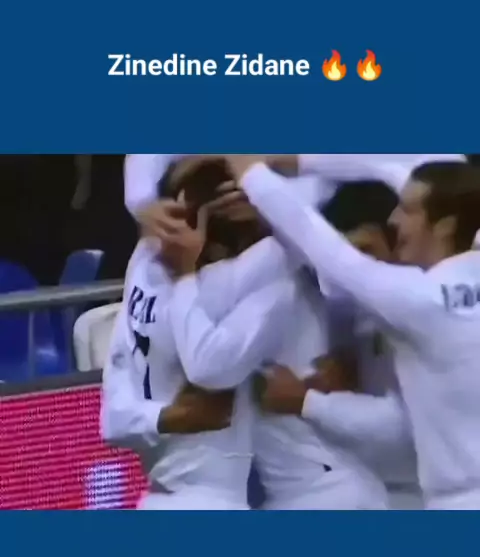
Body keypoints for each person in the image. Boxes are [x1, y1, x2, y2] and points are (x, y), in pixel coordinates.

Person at [126, 156, 390, 510]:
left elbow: (207, 367)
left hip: (326, 495)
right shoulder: (221, 283)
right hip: (306, 493)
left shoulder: (275, 282)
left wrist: (185, 271)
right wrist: (143, 204)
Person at [224, 154, 480, 510]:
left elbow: (320, 244)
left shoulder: (419, 300)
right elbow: (389, 168)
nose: (394, 219)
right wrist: (292, 161)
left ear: (446, 226)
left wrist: (249, 170)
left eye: (408, 210)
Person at [102, 157, 296, 510]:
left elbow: (111, 422)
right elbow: (304, 238)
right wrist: (269, 199)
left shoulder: (142, 268)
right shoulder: (239, 283)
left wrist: (163, 418)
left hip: (157, 500)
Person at [255, 180, 419, 508]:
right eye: (344, 258)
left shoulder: (429, 315)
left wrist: (306, 401)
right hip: (385, 492)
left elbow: (408, 431)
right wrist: (347, 382)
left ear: (399, 245)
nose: (353, 271)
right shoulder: (350, 311)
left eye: (366, 252)